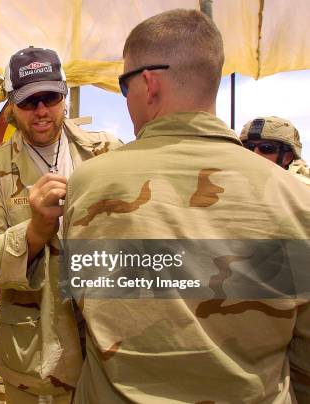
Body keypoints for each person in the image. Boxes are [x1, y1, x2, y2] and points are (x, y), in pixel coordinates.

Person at [63, 9, 310, 403]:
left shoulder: (91, 184)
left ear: (149, 83)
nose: (126, 101)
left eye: (124, 87)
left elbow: (76, 320)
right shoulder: (297, 200)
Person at [0, 46, 121, 403]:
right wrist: (34, 233)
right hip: (35, 354)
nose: (41, 111)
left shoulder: (106, 152)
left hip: (106, 343)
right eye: (29, 101)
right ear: (11, 107)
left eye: (50, 97)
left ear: (64, 95)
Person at [239, 116, 310, 185]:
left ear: (287, 158)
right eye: (248, 147)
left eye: (266, 148)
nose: (254, 153)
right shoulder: (233, 183)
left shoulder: (301, 192)